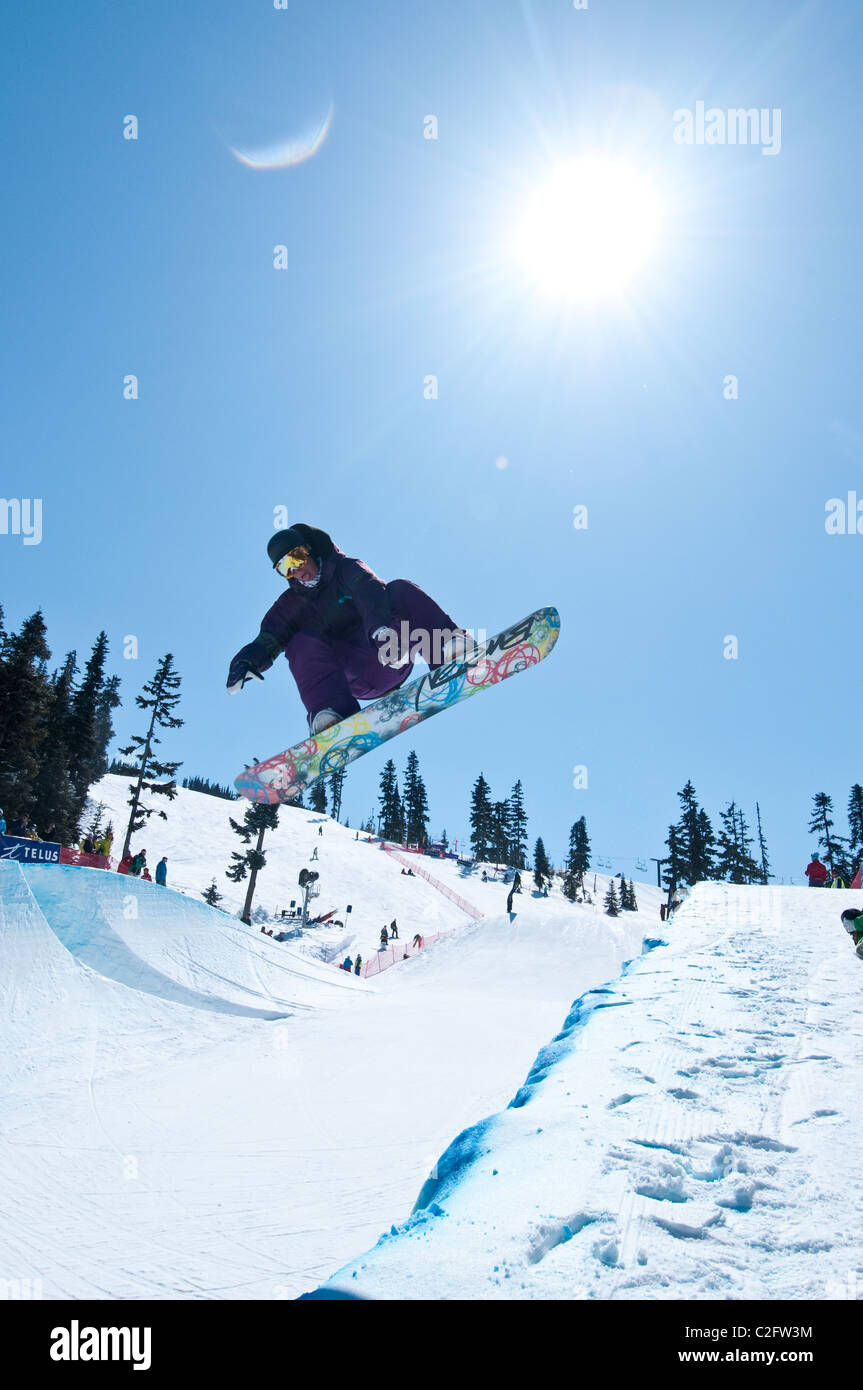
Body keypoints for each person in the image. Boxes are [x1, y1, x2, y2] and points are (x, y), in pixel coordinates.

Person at [226, 523, 472, 734]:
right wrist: (246, 661)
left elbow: (369, 591)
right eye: (284, 568)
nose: (295, 570)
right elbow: (269, 638)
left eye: (297, 558)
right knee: (299, 643)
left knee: (399, 589)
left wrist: (382, 631)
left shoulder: (346, 569)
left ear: (309, 549)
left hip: (392, 651)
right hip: (357, 677)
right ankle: (331, 713)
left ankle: (447, 651)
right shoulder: (290, 605)